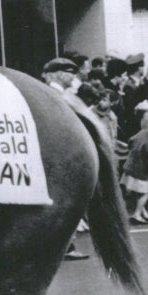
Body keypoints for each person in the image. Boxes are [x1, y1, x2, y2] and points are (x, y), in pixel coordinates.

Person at [41, 58, 88, 259]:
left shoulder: (60, 94)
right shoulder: (52, 94)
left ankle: (65, 246)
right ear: (60, 74)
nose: (73, 77)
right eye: (70, 73)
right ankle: (63, 247)